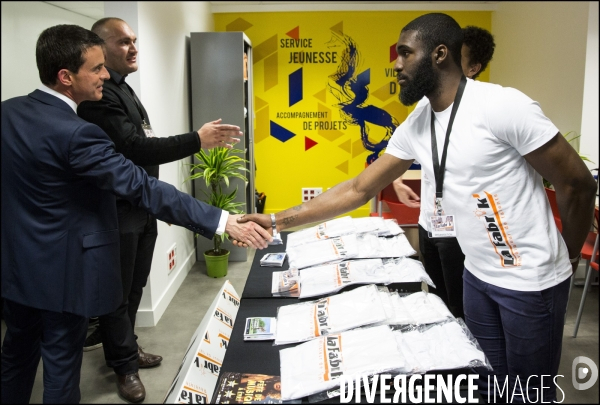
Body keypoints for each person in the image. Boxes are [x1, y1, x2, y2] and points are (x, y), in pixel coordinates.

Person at [237, 13, 596, 402]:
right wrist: (276, 219)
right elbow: (358, 188)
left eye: (405, 53)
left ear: (439, 54)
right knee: (489, 383)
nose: (397, 64)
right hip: (477, 276)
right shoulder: (419, 120)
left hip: (530, 283)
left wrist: (568, 257)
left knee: (531, 394)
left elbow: (577, 183)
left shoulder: (503, 105)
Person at [0, 25, 271, 404]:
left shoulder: (7, 113)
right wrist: (222, 220)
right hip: (62, 278)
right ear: (65, 78)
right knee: (61, 369)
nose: (105, 75)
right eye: (95, 69)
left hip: (14, 273)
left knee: (16, 358)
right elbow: (142, 187)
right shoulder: (77, 133)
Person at [76, 17, 246, 403]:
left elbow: (142, 140)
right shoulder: (99, 100)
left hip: (141, 205)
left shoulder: (125, 90)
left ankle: (127, 347)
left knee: (135, 285)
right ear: (100, 48)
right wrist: (196, 140)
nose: (134, 48)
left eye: (135, 40)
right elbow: (135, 148)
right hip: (116, 210)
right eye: (124, 42)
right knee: (117, 292)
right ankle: (124, 367)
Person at [391, 25, 496, 318]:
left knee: (462, 308)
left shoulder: (485, 110)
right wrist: (397, 179)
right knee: (437, 302)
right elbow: (399, 148)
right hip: (431, 222)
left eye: (456, 60)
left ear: (473, 68)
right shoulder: (425, 106)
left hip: (463, 231)